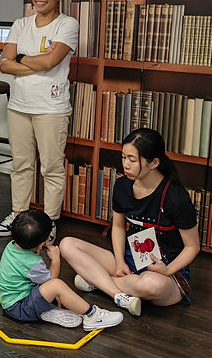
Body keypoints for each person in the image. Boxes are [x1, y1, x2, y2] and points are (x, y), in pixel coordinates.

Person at [59, 128, 199, 316]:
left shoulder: (176, 198)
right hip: (130, 259)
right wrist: (119, 262)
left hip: (165, 271)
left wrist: (167, 270)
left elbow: (192, 247)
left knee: (150, 284)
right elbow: (118, 226)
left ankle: (97, 281)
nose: (125, 164)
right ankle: (118, 294)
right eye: (123, 157)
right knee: (67, 244)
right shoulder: (122, 185)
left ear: (154, 163)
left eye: (132, 160)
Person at [0, 0, 79, 245]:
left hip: (51, 108)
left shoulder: (67, 25)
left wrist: (20, 58)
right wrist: (35, 61)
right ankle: (18, 215)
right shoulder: (21, 24)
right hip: (19, 105)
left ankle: (49, 222)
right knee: (21, 164)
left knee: (51, 167)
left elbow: (50, 62)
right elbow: (4, 65)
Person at [0, 209, 123, 331]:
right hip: (20, 308)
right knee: (56, 285)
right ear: (42, 243)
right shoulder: (31, 263)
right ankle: (92, 315)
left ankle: (45, 311)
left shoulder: (11, 246)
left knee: (55, 290)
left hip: (8, 301)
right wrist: (56, 260)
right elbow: (51, 280)